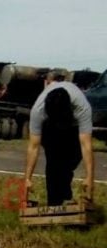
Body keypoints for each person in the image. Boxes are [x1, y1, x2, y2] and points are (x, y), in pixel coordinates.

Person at [24, 78, 94, 206]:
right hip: (50, 128)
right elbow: (33, 146)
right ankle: (54, 203)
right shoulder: (38, 111)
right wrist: (27, 178)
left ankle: (64, 194)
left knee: (70, 160)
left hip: (73, 127)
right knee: (54, 162)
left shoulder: (82, 107)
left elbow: (86, 144)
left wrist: (89, 177)